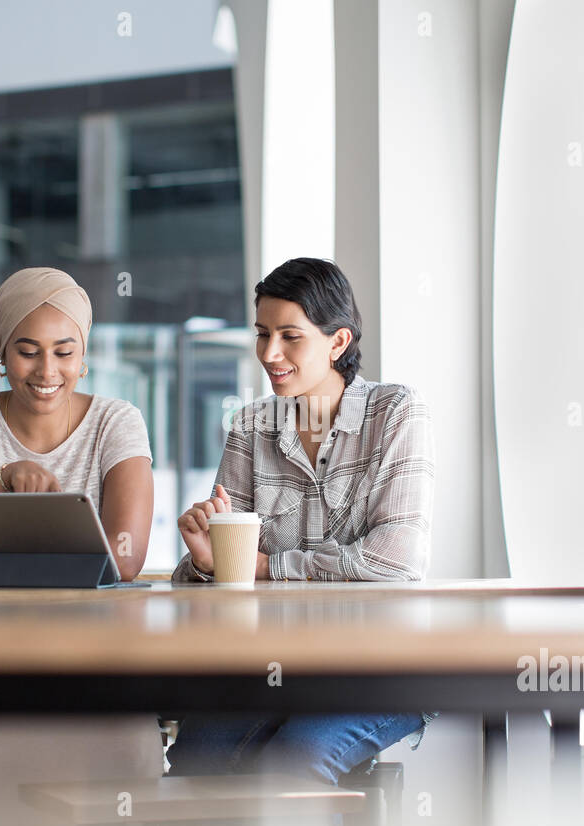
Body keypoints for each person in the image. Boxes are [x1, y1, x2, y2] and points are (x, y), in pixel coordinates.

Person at [0, 267, 162, 826]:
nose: (47, 372)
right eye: (27, 352)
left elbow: (124, 557)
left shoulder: (115, 422)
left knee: (124, 738)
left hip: (91, 650)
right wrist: (1, 487)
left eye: (63, 352)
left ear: (84, 357)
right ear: (1, 354)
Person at [167, 257, 438, 788]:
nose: (270, 354)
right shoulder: (251, 425)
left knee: (294, 760)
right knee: (195, 759)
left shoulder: (397, 413)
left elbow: (396, 559)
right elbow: (215, 573)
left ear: (338, 342)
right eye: (263, 334)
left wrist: (264, 566)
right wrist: (205, 564)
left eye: (291, 337)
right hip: (275, 668)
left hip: (382, 667)